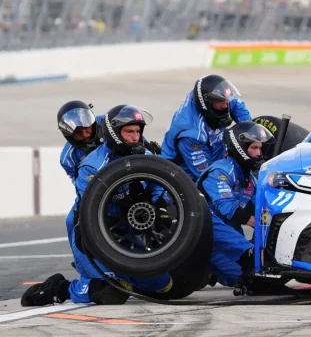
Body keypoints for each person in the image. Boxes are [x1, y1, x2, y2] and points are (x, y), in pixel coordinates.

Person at [22, 105, 175, 306]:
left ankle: (129, 277)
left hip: (130, 222)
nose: (86, 136)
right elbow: (88, 199)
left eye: (88, 129)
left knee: (164, 288)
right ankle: (60, 288)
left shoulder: (118, 127)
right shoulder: (83, 163)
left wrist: (158, 204)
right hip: (94, 223)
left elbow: (157, 184)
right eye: (79, 133)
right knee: (111, 292)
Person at [196, 121, 275, 289]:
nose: (258, 154)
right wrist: (259, 224)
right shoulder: (220, 171)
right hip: (206, 235)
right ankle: (245, 256)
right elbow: (226, 207)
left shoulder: (249, 179)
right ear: (240, 147)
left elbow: (260, 209)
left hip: (230, 239)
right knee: (250, 272)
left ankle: (210, 271)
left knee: (251, 276)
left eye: (260, 149)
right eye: (254, 148)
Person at [160, 74, 252, 182]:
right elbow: (208, 176)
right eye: (221, 102)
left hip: (214, 154)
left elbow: (235, 103)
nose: (226, 105)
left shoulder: (212, 95)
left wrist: (249, 134)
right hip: (182, 179)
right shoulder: (192, 134)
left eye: (226, 100)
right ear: (207, 103)